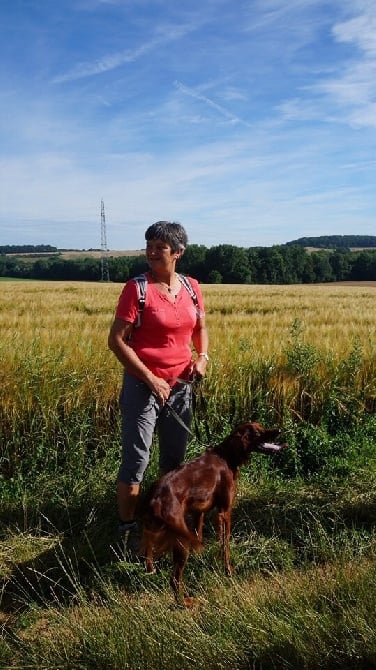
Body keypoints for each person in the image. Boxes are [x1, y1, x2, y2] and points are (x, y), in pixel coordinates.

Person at [108, 221, 209, 558]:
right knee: (137, 460)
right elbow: (116, 341)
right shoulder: (136, 289)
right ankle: (126, 530)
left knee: (174, 461)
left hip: (181, 386)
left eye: (159, 247)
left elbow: (201, 328)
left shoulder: (192, 287)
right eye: (149, 245)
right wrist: (151, 379)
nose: (151, 252)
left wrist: (203, 357)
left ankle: (163, 519)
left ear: (177, 253)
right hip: (143, 386)